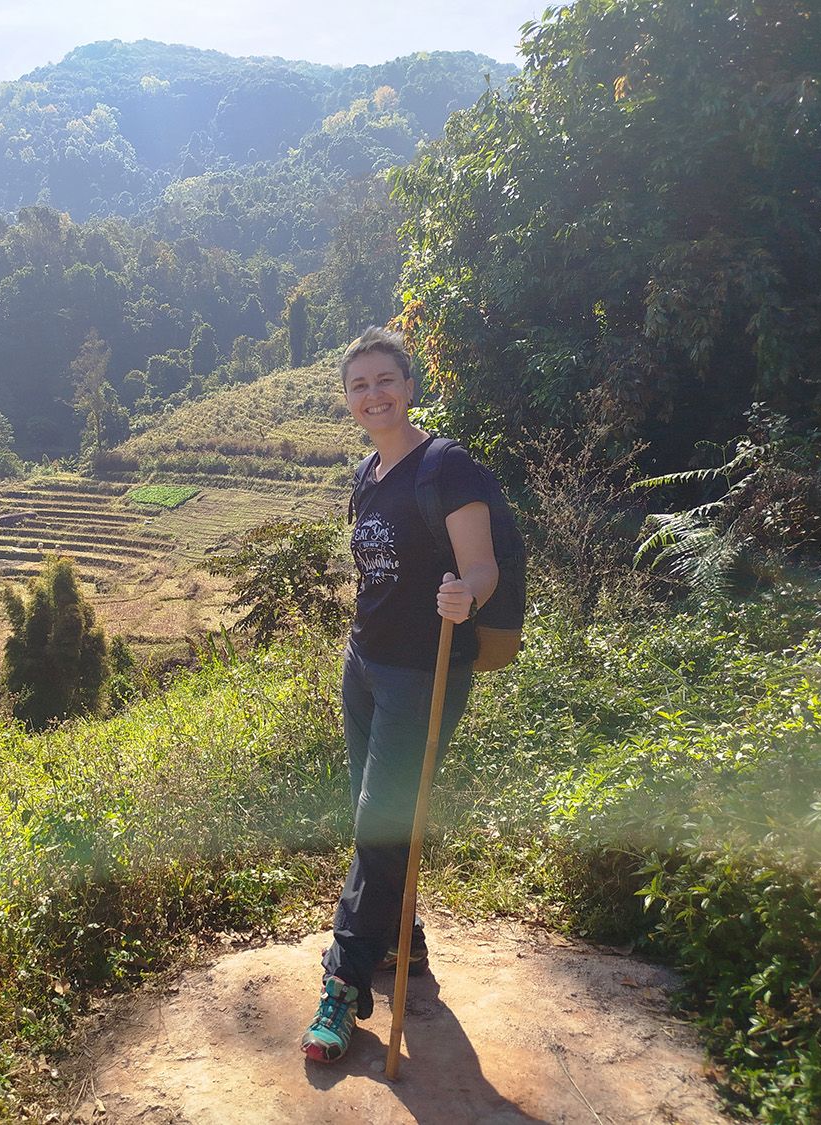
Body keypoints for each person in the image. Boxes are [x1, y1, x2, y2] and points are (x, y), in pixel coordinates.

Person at [301, 327, 500, 1064]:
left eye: (385, 379)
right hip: (365, 665)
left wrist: (466, 594)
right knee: (377, 813)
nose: (374, 394)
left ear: (410, 386)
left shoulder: (447, 465)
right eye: (359, 385)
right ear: (347, 400)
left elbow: (482, 567)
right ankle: (399, 942)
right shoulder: (368, 474)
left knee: (378, 824)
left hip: (423, 671)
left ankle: (344, 983)